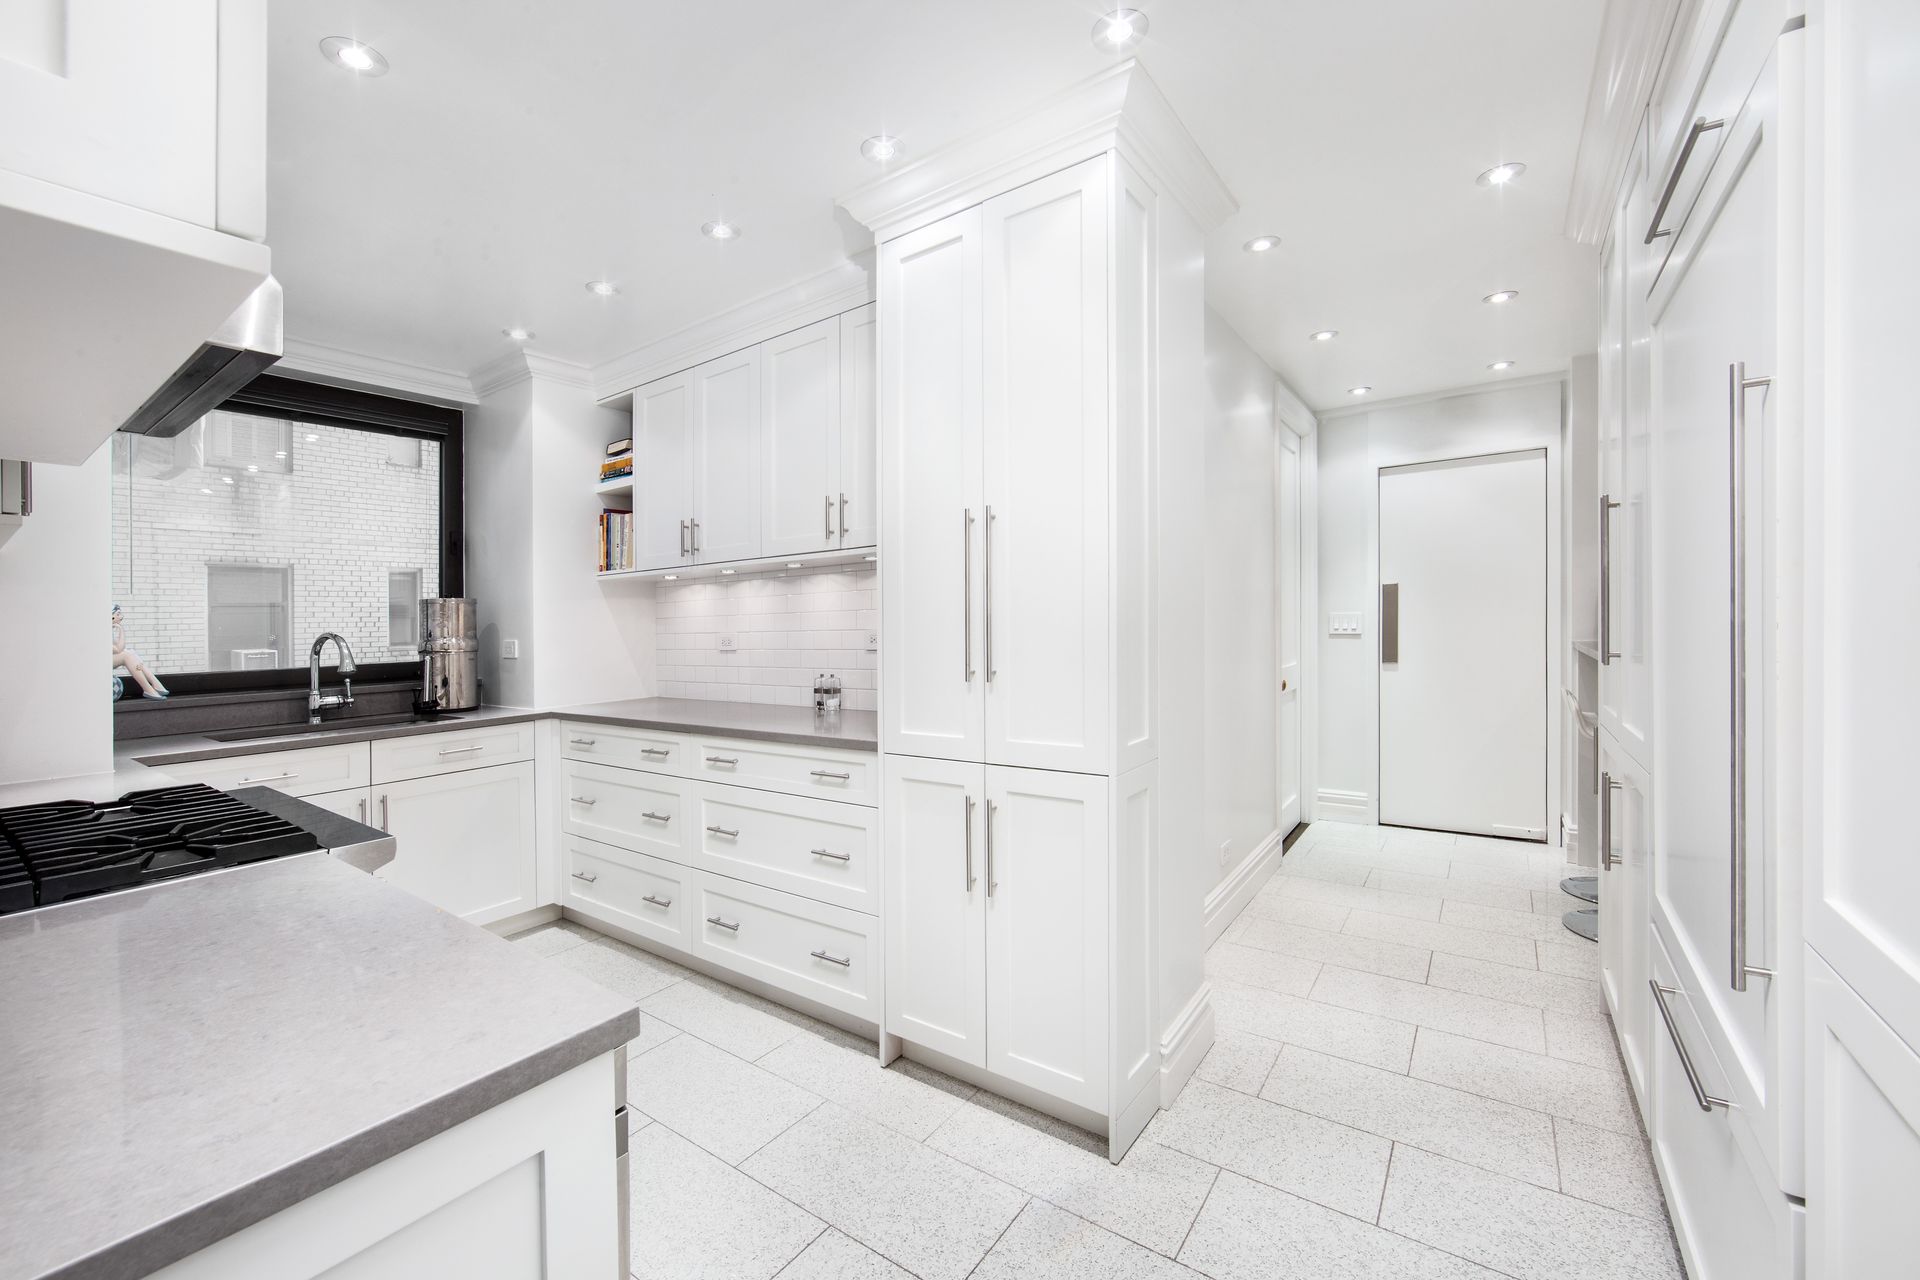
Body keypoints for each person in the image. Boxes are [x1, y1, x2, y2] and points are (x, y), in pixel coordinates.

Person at [112, 604, 169, 700]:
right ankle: (148, 689)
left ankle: (155, 684)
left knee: (131, 652)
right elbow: (118, 649)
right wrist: (121, 630)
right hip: (99, 663)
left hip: (107, 659)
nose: (121, 617)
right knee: (127, 655)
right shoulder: (102, 631)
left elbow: (120, 647)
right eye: (118, 614)